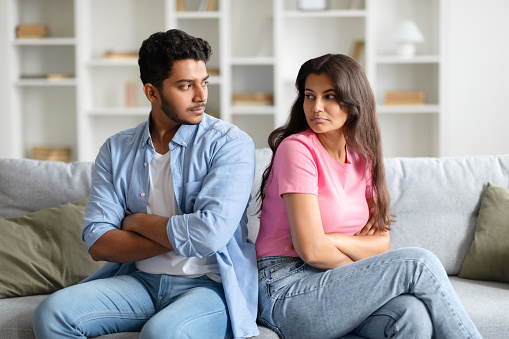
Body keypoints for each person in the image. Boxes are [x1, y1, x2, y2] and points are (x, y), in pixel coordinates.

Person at [33, 29, 259, 339]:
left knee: (162, 333)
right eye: (185, 86)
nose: (201, 96)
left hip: (209, 287)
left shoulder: (229, 144)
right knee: (52, 314)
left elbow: (210, 236)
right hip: (141, 283)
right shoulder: (116, 150)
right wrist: (185, 234)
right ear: (152, 93)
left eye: (204, 82)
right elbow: (98, 242)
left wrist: (137, 222)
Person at [255, 54, 482, 339]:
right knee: (418, 263)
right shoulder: (297, 149)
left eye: (330, 96)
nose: (316, 107)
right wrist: (363, 268)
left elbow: (381, 242)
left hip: (332, 282)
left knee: (412, 315)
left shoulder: (363, 157)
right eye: (309, 96)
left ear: (353, 104)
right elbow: (311, 250)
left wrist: (334, 240)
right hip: (286, 287)